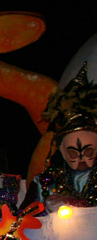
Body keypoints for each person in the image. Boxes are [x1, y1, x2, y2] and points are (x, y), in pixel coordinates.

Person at [27, 64, 97, 211]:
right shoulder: (44, 183)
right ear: (63, 151)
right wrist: (44, 211)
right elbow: (23, 220)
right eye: (73, 152)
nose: (81, 158)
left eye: (88, 151)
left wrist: (78, 204)